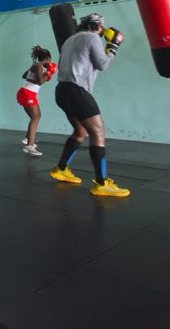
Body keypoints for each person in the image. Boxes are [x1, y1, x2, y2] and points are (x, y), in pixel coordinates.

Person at [48, 12, 130, 197]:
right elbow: (102, 65)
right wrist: (113, 45)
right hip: (77, 91)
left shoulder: (69, 40)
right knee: (98, 132)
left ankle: (61, 169)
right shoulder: (93, 37)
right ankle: (101, 183)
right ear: (97, 26)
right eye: (101, 28)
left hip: (62, 90)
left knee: (80, 132)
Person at [16, 45, 55, 157]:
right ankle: (29, 145)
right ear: (47, 58)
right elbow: (40, 81)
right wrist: (49, 72)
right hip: (27, 93)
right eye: (50, 60)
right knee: (35, 117)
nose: (50, 63)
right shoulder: (38, 66)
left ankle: (28, 138)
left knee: (38, 115)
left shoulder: (36, 65)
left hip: (29, 92)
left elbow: (24, 76)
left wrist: (44, 73)